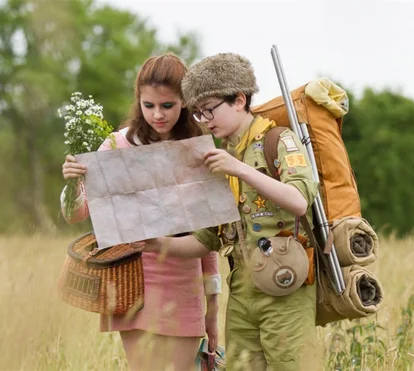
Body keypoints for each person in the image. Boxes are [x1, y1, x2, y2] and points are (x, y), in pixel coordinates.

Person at [133, 53, 319, 371]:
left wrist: (241, 169)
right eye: (199, 113)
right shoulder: (221, 159)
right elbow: (206, 239)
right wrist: (156, 244)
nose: (205, 120)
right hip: (243, 294)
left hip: (285, 286)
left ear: (239, 100)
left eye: (210, 110)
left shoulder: (279, 141)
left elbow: (299, 200)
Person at [60, 53, 221, 371]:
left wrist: (213, 309)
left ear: (185, 102)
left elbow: (208, 239)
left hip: (183, 283)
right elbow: (76, 214)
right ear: (138, 101)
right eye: (149, 106)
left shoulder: (199, 148)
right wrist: (71, 185)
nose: (157, 115)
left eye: (167, 106)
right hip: (131, 279)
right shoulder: (118, 144)